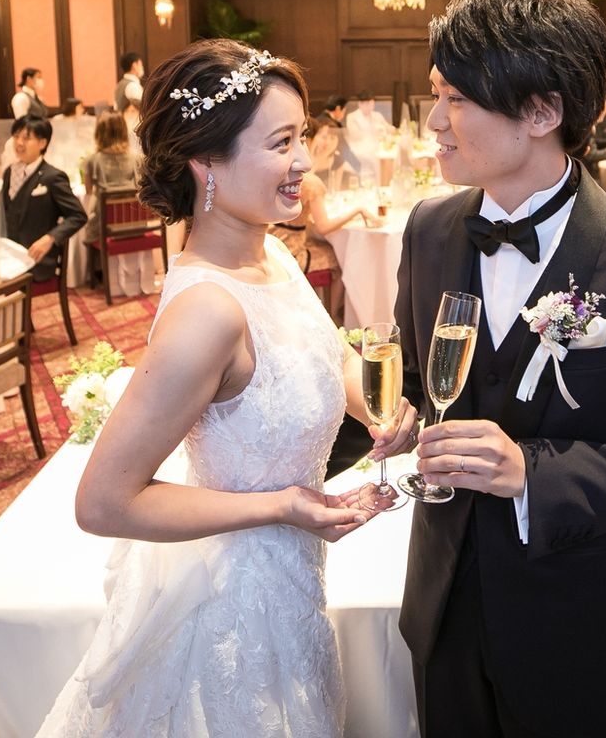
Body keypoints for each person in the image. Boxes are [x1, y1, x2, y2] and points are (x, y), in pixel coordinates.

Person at [35, 40, 414, 735]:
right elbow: (103, 501)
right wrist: (282, 507)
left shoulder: (271, 254)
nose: (305, 161)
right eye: (280, 143)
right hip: (234, 608)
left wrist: (383, 409)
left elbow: (328, 355)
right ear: (205, 161)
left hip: (293, 581)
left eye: (301, 137)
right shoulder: (207, 311)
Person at [394, 0, 606, 738]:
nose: (434, 123)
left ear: (542, 112)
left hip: (575, 629)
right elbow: (417, 384)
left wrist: (530, 472)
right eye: (435, 95)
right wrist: (392, 420)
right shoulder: (429, 230)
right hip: (442, 612)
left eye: (456, 99)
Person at [268, 117, 380, 324]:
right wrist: (357, 211)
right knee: (340, 259)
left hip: (275, 240)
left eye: (331, 137)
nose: (327, 142)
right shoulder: (312, 182)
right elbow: (324, 227)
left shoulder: (292, 174)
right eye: (323, 136)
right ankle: (333, 316)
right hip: (294, 250)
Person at [0, 116, 87, 282]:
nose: (19, 143)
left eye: (26, 138)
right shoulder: (9, 173)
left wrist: (50, 238)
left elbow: (78, 216)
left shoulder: (52, 177)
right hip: (10, 255)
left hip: (36, 259)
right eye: (16, 136)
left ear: (42, 143)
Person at [83, 109, 141, 246]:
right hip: (135, 225)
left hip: (104, 228)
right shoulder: (137, 159)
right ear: (124, 131)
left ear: (99, 133)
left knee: (87, 226)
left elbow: (88, 192)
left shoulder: (91, 161)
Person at [344, 90, 393, 183]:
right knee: (374, 159)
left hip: (376, 147)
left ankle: (383, 182)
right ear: (360, 104)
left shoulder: (377, 115)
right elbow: (355, 135)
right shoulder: (352, 117)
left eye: (372, 105)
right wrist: (373, 131)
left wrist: (392, 129)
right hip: (359, 149)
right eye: (367, 105)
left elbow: (388, 128)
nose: (370, 108)